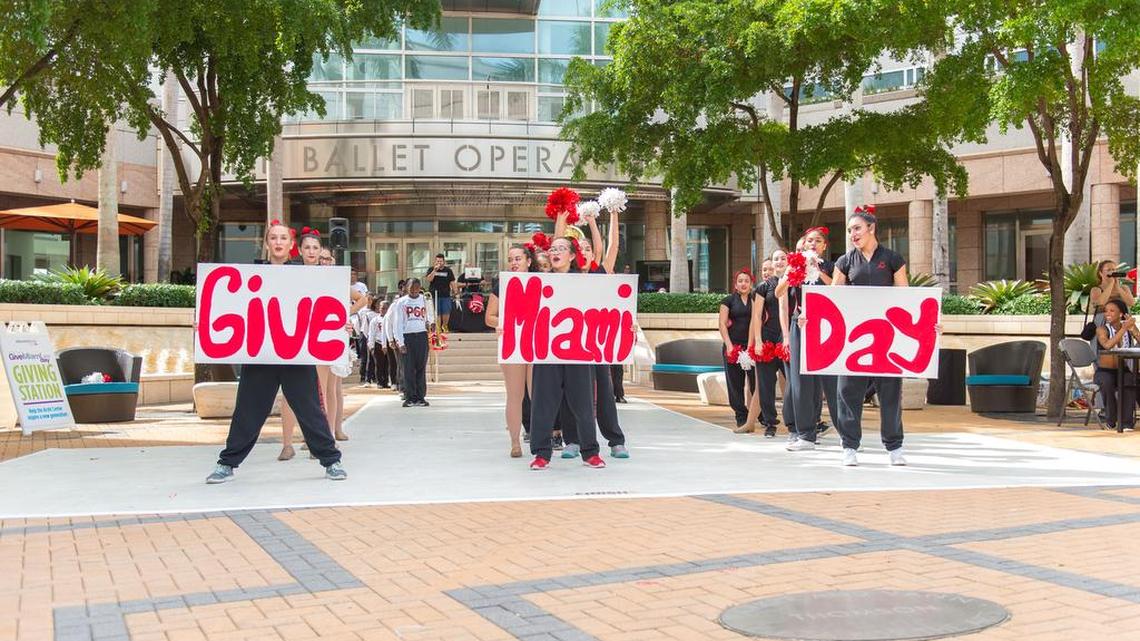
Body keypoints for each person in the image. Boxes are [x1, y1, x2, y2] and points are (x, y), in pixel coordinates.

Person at [206, 222, 347, 483]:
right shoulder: (252, 273)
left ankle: (331, 461)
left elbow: (321, 307)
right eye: (274, 238)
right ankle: (227, 463)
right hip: (261, 355)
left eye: (283, 237)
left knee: (310, 409)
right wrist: (206, 322)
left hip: (295, 354)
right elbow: (234, 307)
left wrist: (339, 324)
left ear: (291, 244)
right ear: (268, 243)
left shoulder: (304, 273)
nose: (278, 242)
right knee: (248, 410)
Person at [831, 208, 910, 466]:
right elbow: (832, 300)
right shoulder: (844, 262)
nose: (853, 234)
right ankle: (849, 446)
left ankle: (894, 447)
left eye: (857, 228)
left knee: (889, 392)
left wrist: (926, 325)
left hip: (886, 337)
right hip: (853, 339)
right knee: (847, 391)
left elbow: (906, 298)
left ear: (871, 228)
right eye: (850, 230)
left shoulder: (892, 259)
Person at [528, 226, 605, 470]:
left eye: (561, 248)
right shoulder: (538, 282)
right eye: (552, 249)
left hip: (578, 351)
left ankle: (590, 452)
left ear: (572, 256)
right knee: (543, 403)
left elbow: (603, 312)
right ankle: (541, 453)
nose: (555, 252)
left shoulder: (585, 282)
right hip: (547, 350)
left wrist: (625, 326)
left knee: (583, 403)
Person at [554, 208, 629, 459]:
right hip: (571, 344)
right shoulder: (567, 276)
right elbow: (557, 244)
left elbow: (610, 247)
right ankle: (573, 440)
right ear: (574, 255)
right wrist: (561, 219)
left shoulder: (599, 274)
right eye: (581, 249)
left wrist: (604, 216)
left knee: (605, 392)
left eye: (588, 249)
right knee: (569, 394)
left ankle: (615, 440)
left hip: (596, 344)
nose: (585, 253)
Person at [779, 229, 839, 452]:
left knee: (832, 381)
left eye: (818, 241)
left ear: (824, 245)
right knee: (800, 380)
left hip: (827, 326)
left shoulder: (833, 266)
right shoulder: (795, 265)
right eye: (810, 240)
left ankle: (846, 433)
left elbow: (837, 288)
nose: (813, 243)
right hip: (800, 324)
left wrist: (817, 270)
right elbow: (778, 292)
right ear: (804, 245)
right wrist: (794, 273)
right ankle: (805, 434)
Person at [278, 229, 335, 461]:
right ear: (300, 250)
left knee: (317, 393)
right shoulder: (288, 272)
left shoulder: (328, 276)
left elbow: (347, 301)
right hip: (292, 337)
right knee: (288, 394)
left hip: (319, 338)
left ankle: (316, 444)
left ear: (320, 251)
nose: (311, 251)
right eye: (307, 247)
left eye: (315, 247)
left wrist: (342, 320)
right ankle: (286, 443)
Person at [485, 245, 536, 457]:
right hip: (512, 343)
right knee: (515, 395)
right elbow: (489, 316)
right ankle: (515, 442)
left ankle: (541, 440)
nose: (514, 263)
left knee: (538, 395)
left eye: (518, 258)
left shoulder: (540, 281)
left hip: (536, 344)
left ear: (528, 261)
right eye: (511, 259)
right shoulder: (501, 285)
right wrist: (500, 323)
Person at [747, 253, 785, 437]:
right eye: (767, 268)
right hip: (767, 338)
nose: (771, 270)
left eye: (782, 259)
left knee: (795, 383)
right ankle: (770, 423)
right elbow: (756, 316)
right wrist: (758, 342)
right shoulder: (763, 288)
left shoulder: (793, 282)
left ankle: (797, 422)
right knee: (766, 384)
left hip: (786, 337)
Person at [720, 268, 758, 433]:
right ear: (735, 284)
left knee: (756, 382)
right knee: (735, 383)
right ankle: (741, 416)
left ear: (751, 284)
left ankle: (759, 414)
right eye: (740, 281)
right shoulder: (728, 300)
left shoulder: (755, 299)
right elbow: (722, 324)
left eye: (747, 281)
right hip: (733, 346)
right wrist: (729, 345)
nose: (743, 284)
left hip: (751, 346)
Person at [1095, 299, 1139, 431]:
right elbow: (1107, 345)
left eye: (1112, 310)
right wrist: (1124, 328)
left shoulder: (1128, 328)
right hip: (1105, 370)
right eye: (1106, 311)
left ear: (1121, 314)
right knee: (1107, 383)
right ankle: (1111, 420)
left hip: (1123, 369)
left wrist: (1133, 330)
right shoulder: (1101, 329)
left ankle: (1126, 422)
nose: (1107, 313)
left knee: (1130, 380)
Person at [393, 278, 434, 407]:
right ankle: (410, 397)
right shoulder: (401, 302)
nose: (414, 290)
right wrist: (400, 342)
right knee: (408, 368)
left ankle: (420, 397)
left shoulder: (425, 299)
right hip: (407, 337)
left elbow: (430, 315)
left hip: (421, 336)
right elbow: (397, 323)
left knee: (421, 368)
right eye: (412, 287)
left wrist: (431, 323)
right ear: (406, 288)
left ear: (420, 287)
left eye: (417, 287)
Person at [385, 280, 406, 397]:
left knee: (409, 365)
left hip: (410, 337)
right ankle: (401, 387)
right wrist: (390, 339)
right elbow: (388, 322)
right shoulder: (395, 304)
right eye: (403, 288)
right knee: (401, 364)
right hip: (397, 338)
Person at [425, 254, 456, 332]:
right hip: (434, 294)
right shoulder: (431, 269)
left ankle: (444, 325)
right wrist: (434, 271)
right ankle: (438, 327)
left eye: (441, 261)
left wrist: (455, 291)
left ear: (444, 262)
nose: (439, 263)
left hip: (445, 294)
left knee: (446, 311)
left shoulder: (448, 270)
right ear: (435, 261)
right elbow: (429, 279)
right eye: (437, 261)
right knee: (437, 312)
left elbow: (452, 281)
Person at [368, 299, 390, 389]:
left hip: (388, 343)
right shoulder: (375, 320)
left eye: (385, 308)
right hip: (378, 343)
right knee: (379, 364)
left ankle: (386, 381)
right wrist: (371, 345)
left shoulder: (389, 319)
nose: (382, 310)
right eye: (381, 308)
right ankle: (379, 382)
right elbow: (371, 333)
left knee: (387, 364)